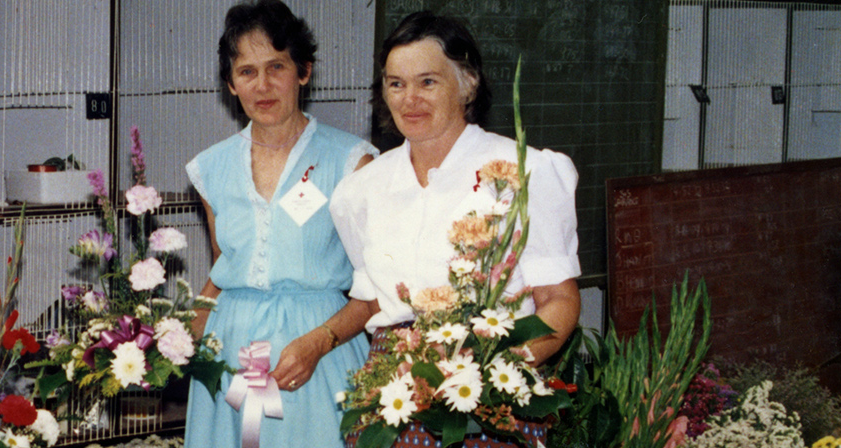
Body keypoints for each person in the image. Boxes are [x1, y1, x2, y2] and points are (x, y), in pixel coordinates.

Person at [331, 10, 581, 447]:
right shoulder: (361, 191)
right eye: (396, 84)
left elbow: (559, 301)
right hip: (392, 400)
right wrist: (317, 341)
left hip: (489, 400)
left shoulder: (526, 172)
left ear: (468, 83)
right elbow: (372, 302)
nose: (410, 98)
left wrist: (492, 372)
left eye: (428, 82)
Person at [181, 1, 377, 447]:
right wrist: (174, 338)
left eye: (277, 66)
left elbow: (376, 287)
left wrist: (319, 342)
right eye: (247, 71)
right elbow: (222, 266)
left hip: (314, 351)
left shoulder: (351, 162)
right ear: (231, 84)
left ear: (303, 71)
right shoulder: (209, 168)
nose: (263, 85)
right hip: (232, 350)